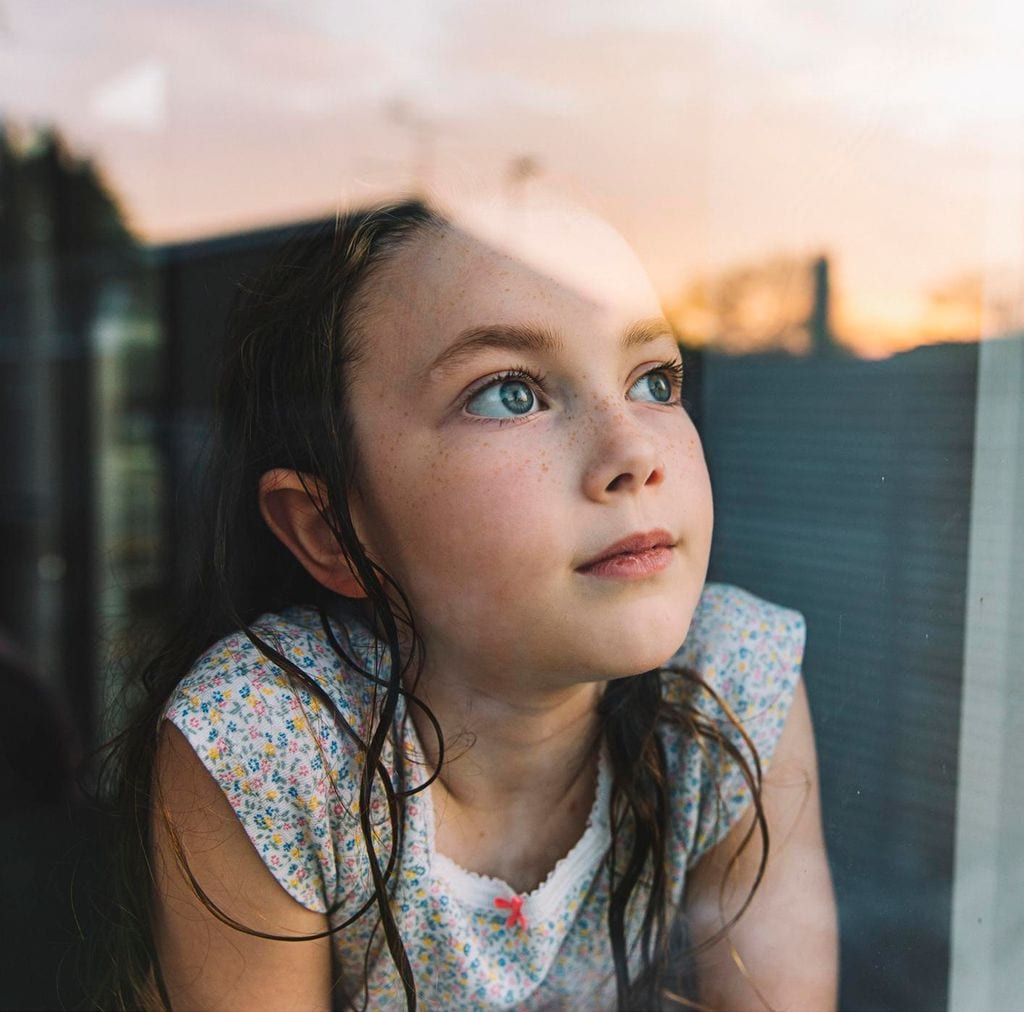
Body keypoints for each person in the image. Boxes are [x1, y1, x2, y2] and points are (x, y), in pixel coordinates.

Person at [108, 192, 837, 1010]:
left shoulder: (732, 680)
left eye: (653, 379)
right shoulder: (272, 740)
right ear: (331, 530)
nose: (633, 450)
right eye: (508, 394)